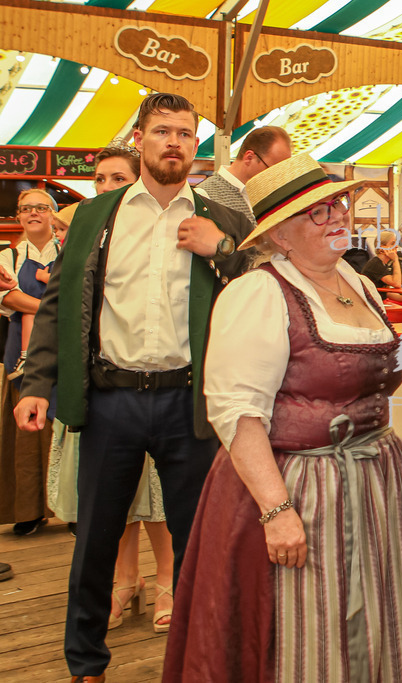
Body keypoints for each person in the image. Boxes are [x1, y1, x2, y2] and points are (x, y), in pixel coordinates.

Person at [14, 92, 252, 682]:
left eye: (185, 134)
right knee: (94, 540)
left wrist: (219, 249)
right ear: (140, 139)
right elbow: (58, 306)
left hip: (189, 401)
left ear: (194, 146)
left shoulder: (220, 217)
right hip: (111, 399)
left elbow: (261, 285)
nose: (175, 142)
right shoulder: (99, 214)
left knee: (198, 543)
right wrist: (38, 382)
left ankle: (204, 659)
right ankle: (86, 664)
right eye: (163, 131)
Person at [163, 153, 402, 682]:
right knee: (312, 625)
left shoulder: (360, 283)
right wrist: (277, 510)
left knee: (376, 618)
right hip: (301, 487)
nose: (337, 217)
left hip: (372, 482)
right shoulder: (258, 292)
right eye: (317, 212)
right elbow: (236, 411)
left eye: (337, 204)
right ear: (279, 236)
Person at [45, 143, 178, 637]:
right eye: (99, 179)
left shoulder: (165, 228)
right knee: (111, 500)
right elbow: (63, 308)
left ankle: (167, 579)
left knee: (159, 496)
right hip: (103, 385)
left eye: (117, 178)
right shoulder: (87, 228)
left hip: (162, 386)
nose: (106, 188)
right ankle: (126, 580)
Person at [0, 189, 61, 536]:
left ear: (53, 214)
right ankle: (28, 510)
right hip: (19, 351)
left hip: (62, 348)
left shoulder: (68, 251)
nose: (33, 213)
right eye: (26, 209)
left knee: (62, 425)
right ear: (18, 217)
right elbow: (6, 296)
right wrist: (52, 308)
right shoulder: (8, 255)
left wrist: (29, 303)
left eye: (40, 207)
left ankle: (68, 507)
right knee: (24, 429)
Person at [194, 125, 291, 228]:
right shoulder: (204, 195)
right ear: (249, 158)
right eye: (272, 170)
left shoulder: (266, 197)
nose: (275, 178)